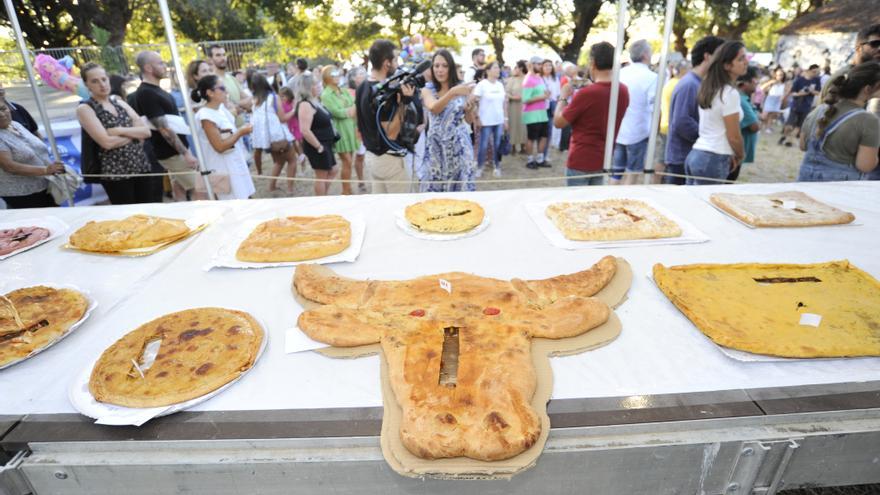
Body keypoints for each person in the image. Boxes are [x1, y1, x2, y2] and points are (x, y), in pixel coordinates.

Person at [77, 62, 154, 204]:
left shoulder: (120, 103)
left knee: (150, 210)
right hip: (115, 174)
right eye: (95, 81)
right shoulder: (85, 108)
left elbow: (146, 132)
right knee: (128, 217)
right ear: (87, 84)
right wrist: (134, 135)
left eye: (104, 79)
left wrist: (119, 131)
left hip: (141, 166)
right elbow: (106, 142)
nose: (102, 84)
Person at [553, 42, 629, 186]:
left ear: (592, 63)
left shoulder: (587, 94)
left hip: (581, 159)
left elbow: (558, 122)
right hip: (605, 158)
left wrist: (563, 97)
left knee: (578, 205)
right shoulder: (623, 90)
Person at [798, 61, 880, 181]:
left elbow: (802, 145)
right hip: (838, 192)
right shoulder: (868, 121)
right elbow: (865, 166)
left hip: (805, 185)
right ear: (867, 89)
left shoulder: (819, 110)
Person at [133, 50, 198, 201]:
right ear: (148, 68)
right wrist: (185, 153)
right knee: (199, 189)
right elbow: (163, 128)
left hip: (176, 151)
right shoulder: (146, 93)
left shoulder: (157, 90)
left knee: (180, 188)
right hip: (172, 153)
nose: (165, 66)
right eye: (160, 63)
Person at [356, 39, 417, 194]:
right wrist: (404, 102)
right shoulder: (384, 93)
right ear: (386, 63)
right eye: (395, 60)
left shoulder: (363, 86)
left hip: (372, 156)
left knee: (381, 208)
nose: (397, 64)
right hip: (389, 159)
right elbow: (391, 133)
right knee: (401, 207)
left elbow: (358, 121)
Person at [684, 41, 748, 185]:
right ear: (726, 65)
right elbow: (734, 136)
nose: (746, 62)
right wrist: (740, 154)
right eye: (740, 59)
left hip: (697, 153)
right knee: (707, 205)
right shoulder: (729, 93)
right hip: (713, 156)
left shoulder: (710, 88)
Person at [666, 35, 725, 185]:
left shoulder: (696, 83)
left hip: (687, 155)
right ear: (707, 56)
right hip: (682, 158)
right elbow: (681, 122)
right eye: (719, 56)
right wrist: (708, 136)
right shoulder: (690, 85)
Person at [419, 49, 477, 192]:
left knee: (460, 191)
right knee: (435, 191)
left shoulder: (462, 87)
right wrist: (452, 93)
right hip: (436, 145)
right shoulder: (427, 89)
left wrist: (470, 108)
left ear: (450, 68)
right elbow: (433, 108)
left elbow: (469, 121)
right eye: (436, 66)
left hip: (459, 145)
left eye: (444, 66)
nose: (440, 70)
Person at [191, 75, 255, 200]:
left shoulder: (220, 108)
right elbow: (219, 147)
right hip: (223, 169)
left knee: (246, 200)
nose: (226, 91)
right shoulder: (205, 116)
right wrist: (240, 132)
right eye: (222, 88)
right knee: (235, 207)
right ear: (210, 93)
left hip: (235, 163)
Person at [0, 99, 64, 208]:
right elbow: (9, 167)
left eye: (3, 109)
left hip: (44, 186)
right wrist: (45, 170)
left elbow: (37, 147)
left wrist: (50, 166)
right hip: (22, 195)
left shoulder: (16, 125)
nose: (1, 114)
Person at [612, 40, 657, 185]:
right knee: (632, 173)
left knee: (616, 173)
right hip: (639, 131)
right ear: (645, 55)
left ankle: (610, 198)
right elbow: (655, 107)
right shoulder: (652, 77)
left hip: (619, 129)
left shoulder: (620, 74)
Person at [822, 24, 880, 120]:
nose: (879, 49)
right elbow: (825, 121)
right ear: (858, 48)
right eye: (875, 44)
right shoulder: (842, 78)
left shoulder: (872, 78)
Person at [250, 73, 295, 193]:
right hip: (278, 137)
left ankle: (272, 186)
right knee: (292, 160)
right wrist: (295, 110)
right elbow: (283, 118)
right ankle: (289, 189)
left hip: (267, 139)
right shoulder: (273, 97)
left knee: (279, 162)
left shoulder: (255, 101)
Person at [297, 72, 339, 196]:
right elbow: (305, 130)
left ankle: (323, 197)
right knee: (322, 175)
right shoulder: (305, 104)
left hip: (326, 143)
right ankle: (321, 200)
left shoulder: (315, 101)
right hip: (317, 145)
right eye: (316, 84)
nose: (320, 85)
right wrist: (318, 147)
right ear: (309, 87)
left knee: (333, 170)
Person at [321, 66, 361, 195]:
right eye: (334, 74)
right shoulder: (326, 94)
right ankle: (345, 191)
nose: (337, 76)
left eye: (338, 73)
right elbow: (338, 112)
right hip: (339, 132)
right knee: (347, 161)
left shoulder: (343, 90)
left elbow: (354, 105)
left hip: (351, 128)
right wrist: (350, 109)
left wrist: (351, 109)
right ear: (327, 76)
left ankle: (347, 188)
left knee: (350, 161)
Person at [656, 59, 690, 184]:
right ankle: (656, 182)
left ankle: (657, 181)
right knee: (663, 159)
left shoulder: (671, 82)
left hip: (665, 124)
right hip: (669, 126)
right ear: (683, 70)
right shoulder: (679, 84)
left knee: (663, 157)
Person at [473, 60, 508, 177]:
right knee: (483, 145)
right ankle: (480, 167)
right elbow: (474, 101)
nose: (498, 70)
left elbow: (504, 103)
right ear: (488, 71)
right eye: (495, 68)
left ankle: (497, 167)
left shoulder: (500, 85)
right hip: (486, 121)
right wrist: (477, 117)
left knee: (497, 145)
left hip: (499, 120)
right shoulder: (482, 84)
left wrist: (506, 118)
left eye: (498, 68)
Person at [206, 44, 252, 127]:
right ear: (210, 60)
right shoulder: (210, 81)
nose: (223, 58)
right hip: (228, 132)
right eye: (218, 55)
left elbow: (249, 100)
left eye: (224, 55)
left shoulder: (232, 78)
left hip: (243, 127)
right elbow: (223, 108)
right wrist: (240, 105)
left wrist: (236, 104)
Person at [780, 64, 821, 147]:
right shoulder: (799, 80)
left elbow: (819, 93)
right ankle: (784, 137)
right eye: (814, 72)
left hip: (807, 106)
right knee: (789, 125)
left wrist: (811, 91)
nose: (815, 74)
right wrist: (800, 93)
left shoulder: (817, 80)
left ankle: (790, 140)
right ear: (809, 70)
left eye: (817, 72)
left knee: (799, 126)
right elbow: (792, 93)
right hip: (796, 105)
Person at [522, 56, 550, 169]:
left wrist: (546, 95)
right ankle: (529, 160)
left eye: (540, 64)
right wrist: (542, 97)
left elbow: (541, 93)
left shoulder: (539, 78)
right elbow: (525, 99)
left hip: (542, 113)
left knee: (544, 136)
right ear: (532, 65)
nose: (540, 66)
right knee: (531, 138)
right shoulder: (528, 79)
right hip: (532, 114)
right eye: (538, 64)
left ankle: (540, 159)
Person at [734, 67, 760, 180]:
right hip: (734, 154)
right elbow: (755, 126)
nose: (757, 83)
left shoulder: (743, 99)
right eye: (755, 80)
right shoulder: (741, 101)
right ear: (745, 82)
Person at [348, 68, 368, 193]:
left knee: (360, 157)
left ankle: (361, 181)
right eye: (361, 74)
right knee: (348, 159)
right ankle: (347, 185)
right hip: (351, 129)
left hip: (363, 129)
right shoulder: (347, 93)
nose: (364, 75)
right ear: (353, 78)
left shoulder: (367, 89)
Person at [505, 60, 528, 154]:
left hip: (525, 106)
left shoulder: (527, 78)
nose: (515, 69)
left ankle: (523, 146)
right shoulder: (511, 80)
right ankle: (513, 146)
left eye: (516, 67)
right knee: (513, 125)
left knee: (523, 126)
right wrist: (513, 97)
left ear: (521, 68)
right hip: (513, 106)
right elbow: (506, 92)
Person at [540, 59, 560, 164]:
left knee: (548, 131)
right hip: (541, 106)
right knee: (541, 131)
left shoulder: (555, 79)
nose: (548, 67)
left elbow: (557, 94)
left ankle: (545, 154)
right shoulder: (539, 79)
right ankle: (540, 154)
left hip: (551, 105)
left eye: (550, 66)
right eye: (546, 65)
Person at [760, 68, 788, 133]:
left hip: (778, 99)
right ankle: (760, 127)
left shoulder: (784, 84)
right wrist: (771, 82)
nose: (779, 77)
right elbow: (762, 88)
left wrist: (782, 97)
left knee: (771, 115)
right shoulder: (772, 82)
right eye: (778, 75)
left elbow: (785, 91)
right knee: (765, 114)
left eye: (781, 75)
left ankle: (768, 128)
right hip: (770, 98)